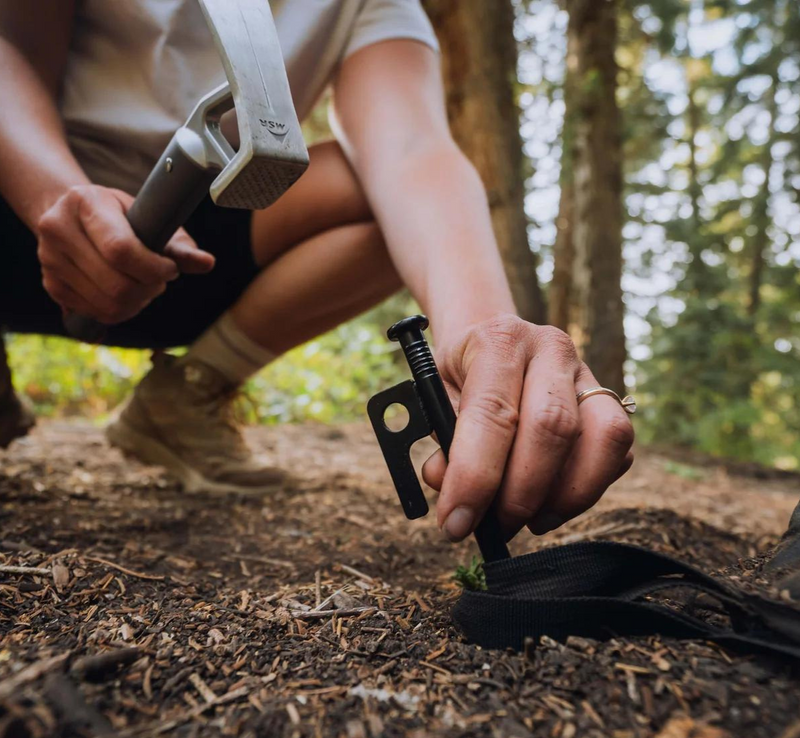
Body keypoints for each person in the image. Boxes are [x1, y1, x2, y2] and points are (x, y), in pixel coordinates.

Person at [0, 0, 635, 543]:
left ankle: (185, 396)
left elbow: (412, 153)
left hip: (187, 252)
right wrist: (55, 197)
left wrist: (487, 332)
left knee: (377, 194)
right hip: (26, 211)